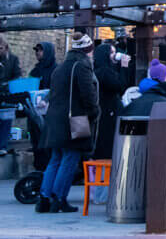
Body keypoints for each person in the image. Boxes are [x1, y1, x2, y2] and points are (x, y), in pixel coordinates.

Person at [37, 32, 99, 213]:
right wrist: (94, 113)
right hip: (73, 120)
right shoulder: (82, 66)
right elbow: (88, 95)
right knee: (70, 159)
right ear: (88, 49)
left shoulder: (60, 68)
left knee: (55, 159)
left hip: (54, 120)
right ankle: (59, 198)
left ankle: (44, 199)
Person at [91, 42, 130, 162]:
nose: (114, 55)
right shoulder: (104, 72)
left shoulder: (103, 70)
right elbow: (121, 85)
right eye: (111, 52)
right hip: (108, 112)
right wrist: (124, 66)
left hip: (105, 111)